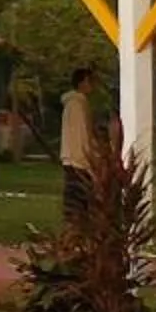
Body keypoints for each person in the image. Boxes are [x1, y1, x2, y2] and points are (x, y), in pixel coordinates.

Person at [59, 65, 97, 220]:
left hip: (72, 158)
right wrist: (88, 158)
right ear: (83, 83)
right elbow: (81, 135)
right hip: (77, 160)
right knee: (78, 201)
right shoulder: (76, 104)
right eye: (90, 82)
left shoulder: (76, 103)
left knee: (77, 199)